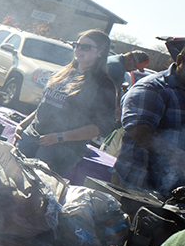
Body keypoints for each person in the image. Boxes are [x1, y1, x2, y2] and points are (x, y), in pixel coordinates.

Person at [13, 29, 117, 177]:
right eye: (77, 45)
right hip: (31, 136)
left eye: (85, 47)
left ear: (100, 52)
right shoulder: (63, 74)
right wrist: (23, 125)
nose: (79, 49)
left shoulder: (104, 85)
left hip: (61, 148)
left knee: (33, 193)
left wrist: (60, 137)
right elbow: (46, 105)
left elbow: (101, 127)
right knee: (10, 182)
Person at [113, 37, 185, 195]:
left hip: (177, 192)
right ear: (180, 59)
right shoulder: (153, 88)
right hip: (138, 186)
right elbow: (138, 129)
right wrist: (176, 155)